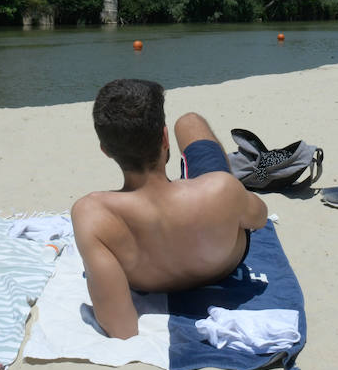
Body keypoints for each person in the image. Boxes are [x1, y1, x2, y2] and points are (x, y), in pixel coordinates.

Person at [71, 79, 268, 339]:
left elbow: (121, 328)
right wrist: (225, 198)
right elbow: (259, 218)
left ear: (106, 150)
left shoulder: (93, 215)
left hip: (148, 282)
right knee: (189, 122)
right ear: (164, 138)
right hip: (222, 266)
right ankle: (186, 180)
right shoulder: (221, 188)